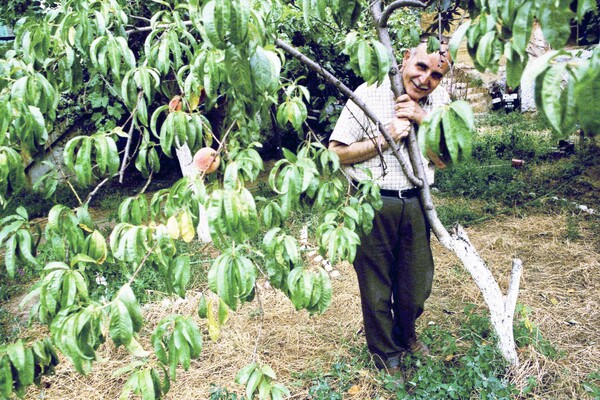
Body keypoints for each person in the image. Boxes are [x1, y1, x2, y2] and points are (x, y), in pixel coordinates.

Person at [328, 39, 452, 376]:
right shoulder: (369, 93)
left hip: (415, 204)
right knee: (376, 285)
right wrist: (385, 139)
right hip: (371, 202)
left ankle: (406, 334)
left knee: (416, 285)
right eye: (421, 67)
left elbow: (443, 161)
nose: (426, 79)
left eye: (436, 74)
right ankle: (386, 354)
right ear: (406, 59)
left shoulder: (440, 104)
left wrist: (424, 119)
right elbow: (336, 152)